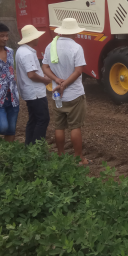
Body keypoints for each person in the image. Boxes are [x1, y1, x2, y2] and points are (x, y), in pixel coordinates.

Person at [42, 18, 89, 164]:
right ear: (74, 32)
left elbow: (45, 67)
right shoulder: (76, 48)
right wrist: (65, 84)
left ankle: (61, 155)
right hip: (74, 94)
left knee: (59, 126)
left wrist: (57, 81)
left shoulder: (51, 46)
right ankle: (79, 157)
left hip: (57, 95)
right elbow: (78, 71)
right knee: (75, 126)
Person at [16, 25, 52, 146]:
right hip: (35, 92)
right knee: (43, 119)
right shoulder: (27, 53)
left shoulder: (21, 50)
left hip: (29, 91)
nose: (38, 39)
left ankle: (29, 145)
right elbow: (31, 75)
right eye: (36, 37)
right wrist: (44, 80)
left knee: (33, 119)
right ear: (31, 38)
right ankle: (36, 148)